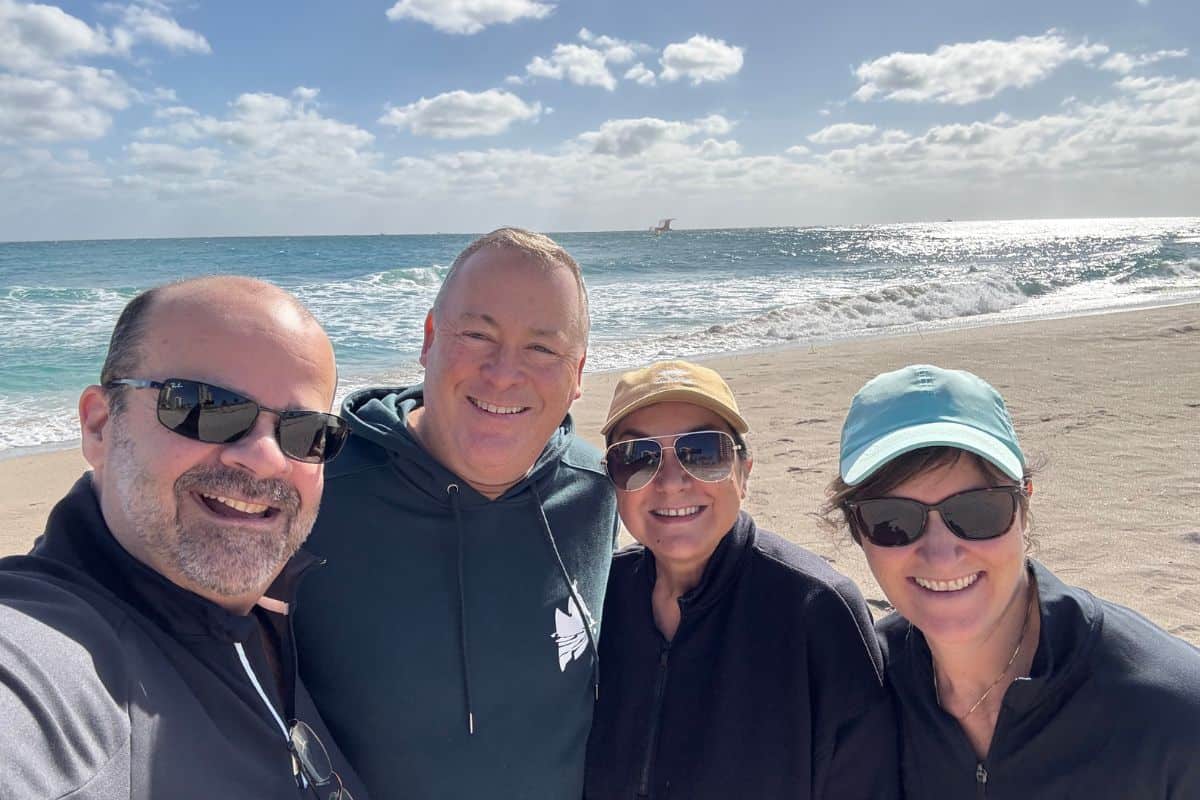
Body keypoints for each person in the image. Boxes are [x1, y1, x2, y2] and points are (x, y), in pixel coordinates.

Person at [0, 276, 366, 799]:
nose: (266, 458)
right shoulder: (50, 659)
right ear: (101, 424)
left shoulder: (284, 615)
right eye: (206, 408)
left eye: (306, 432)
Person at [295, 228, 619, 798]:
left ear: (577, 375)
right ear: (428, 339)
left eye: (543, 348)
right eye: (476, 333)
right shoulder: (315, 490)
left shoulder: (596, 491)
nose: (502, 372)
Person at [823, 364, 1200, 798]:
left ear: (1024, 507)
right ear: (856, 530)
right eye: (892, 520)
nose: (941, 553)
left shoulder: (1169, 717)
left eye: (977, 511)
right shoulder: (865, 693)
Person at [584, 360, 899, 799]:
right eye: (638, 458)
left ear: (744, 471)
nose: (672, 482)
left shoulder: (816, 608)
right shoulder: (599, 597)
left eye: (703, 453)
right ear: (613, 481)